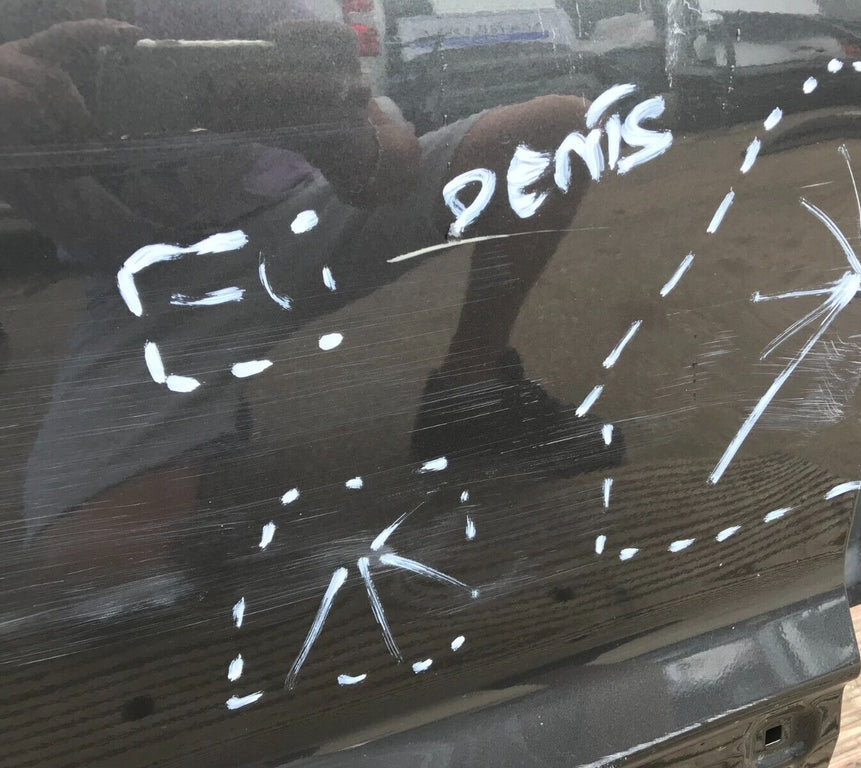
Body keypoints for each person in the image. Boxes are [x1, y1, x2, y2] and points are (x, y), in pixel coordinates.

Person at [0, 1, 623, 609]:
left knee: (557, 129)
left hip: (301, 216)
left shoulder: (241, 9)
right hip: (148, 281)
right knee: (98, 564)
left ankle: (471, 392)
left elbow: (387, 173)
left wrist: (336, 136)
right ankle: (203, 428)